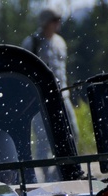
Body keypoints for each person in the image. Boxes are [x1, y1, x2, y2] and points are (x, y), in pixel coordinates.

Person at [22, 7, 79, 140]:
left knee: (72, 132)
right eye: (55, 20)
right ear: (45, 22)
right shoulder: (32, 43)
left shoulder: (60, 42)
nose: (58, 23)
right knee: (43, 138)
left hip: (62, 94)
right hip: (41, 97)